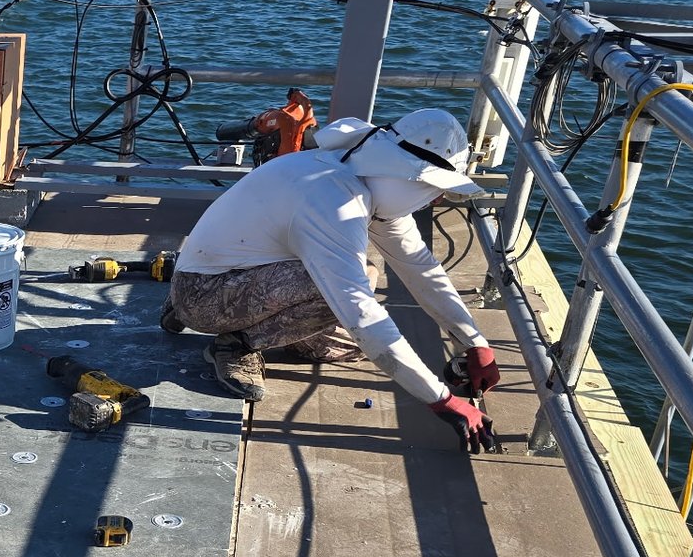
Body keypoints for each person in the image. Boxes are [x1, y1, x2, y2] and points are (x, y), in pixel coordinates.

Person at [162, 107, 502, 453]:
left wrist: (473, 342)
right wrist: (442, 401)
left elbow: (421, 268)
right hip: (203, 295)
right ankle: (237, 343)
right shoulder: (336, 200)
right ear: (408, 174)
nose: (437, 199)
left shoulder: (357, 174)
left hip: (213, 275)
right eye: (435, 190)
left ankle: (198, 309)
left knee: (351, 333)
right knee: (347, 295)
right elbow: (361, 312)